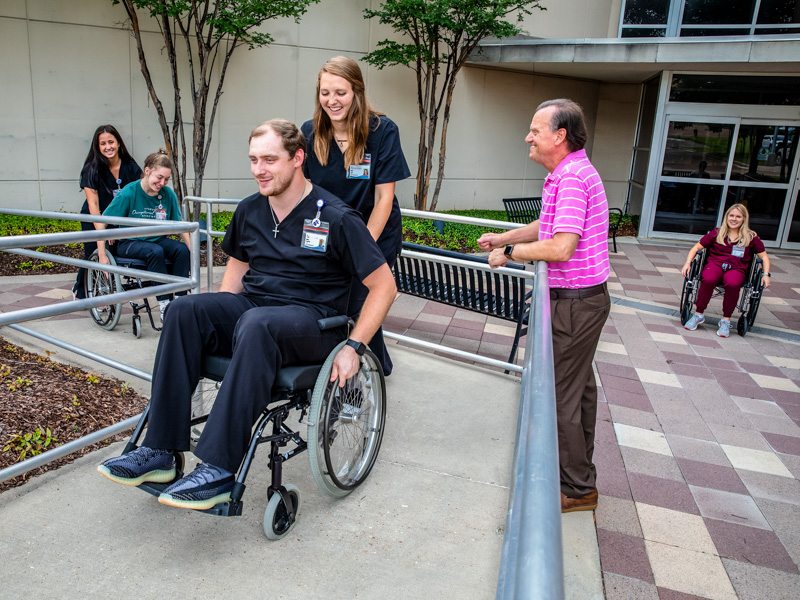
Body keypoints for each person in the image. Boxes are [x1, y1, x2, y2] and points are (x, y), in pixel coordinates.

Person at [97, 119, 396, 511]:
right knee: (185, 310)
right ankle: (161, 452)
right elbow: (235, 275)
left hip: (314, 322)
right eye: (254, 159)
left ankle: (219, 470)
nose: (259, 169)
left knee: (256, 324)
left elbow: (384, 287)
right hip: (256, 310)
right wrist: (216, 326)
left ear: (297, 158)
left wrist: (354, 347)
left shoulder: (336, 216)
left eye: (270, 159)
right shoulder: (250, 209)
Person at [477, 99, 610, 513]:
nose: (528, 137)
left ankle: (576, 488)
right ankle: (578, 475)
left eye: (535, 130)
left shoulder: (571, 178)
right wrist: (503, 237)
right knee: (579, 392)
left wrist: (511, 252)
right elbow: (547, 226)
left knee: (558, 397)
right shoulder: (566, 174)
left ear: (560, 136)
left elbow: (561, 246)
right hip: (582, 301)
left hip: (575, 304)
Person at [301, 56, 411, 376]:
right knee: (341, 300)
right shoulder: (310, 132)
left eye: (340, 92)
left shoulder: (382, 130)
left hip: (374, 230)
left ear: (357, 92)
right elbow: (306, 193)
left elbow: (383, 197)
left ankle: (355, 375)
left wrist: (361, 247)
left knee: (362, 297)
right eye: (325, 93)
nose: (332, 101)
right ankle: (377, 363)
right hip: (330, 231)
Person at [96, 149, 190, 321]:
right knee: (155, 251)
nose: (163, 182)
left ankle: (179, 301)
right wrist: (102, 255)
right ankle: (164, 305)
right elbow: (102, 221)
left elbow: (180, 223)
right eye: (159, 177)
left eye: (167, 179)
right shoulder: (129, 192)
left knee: (182, 250)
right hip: (129, 242)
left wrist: (192, 249)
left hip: (156, 239)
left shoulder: (167, 194)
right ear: (147, 171)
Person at [681, 203, 770, 337]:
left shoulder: (751, 237)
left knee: (733, 283)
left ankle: (726, 320)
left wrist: (765, 274)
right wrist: (687, 263)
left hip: (737, 269)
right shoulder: (717, 233)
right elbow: (696, 248)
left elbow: (764, 257)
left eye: (738, 217)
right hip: (715, 265)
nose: (734, 219)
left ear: (744, 219)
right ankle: (698, 314)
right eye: (731, 215)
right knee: (709, 278)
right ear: (727, 217)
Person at [74, 125, 142, 299]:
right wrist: (105, 229)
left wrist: (116, 226)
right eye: (103, 143)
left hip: (118, 218)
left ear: (118, 143)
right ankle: (85, 292)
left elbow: (138, 198)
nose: (108, 147)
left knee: (113, 255)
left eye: (111, 142)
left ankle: (91, 289)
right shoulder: (92, 169)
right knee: (94, 254)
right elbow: (94, 206)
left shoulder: (131, 166)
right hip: (94, 218)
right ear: (98, 147)